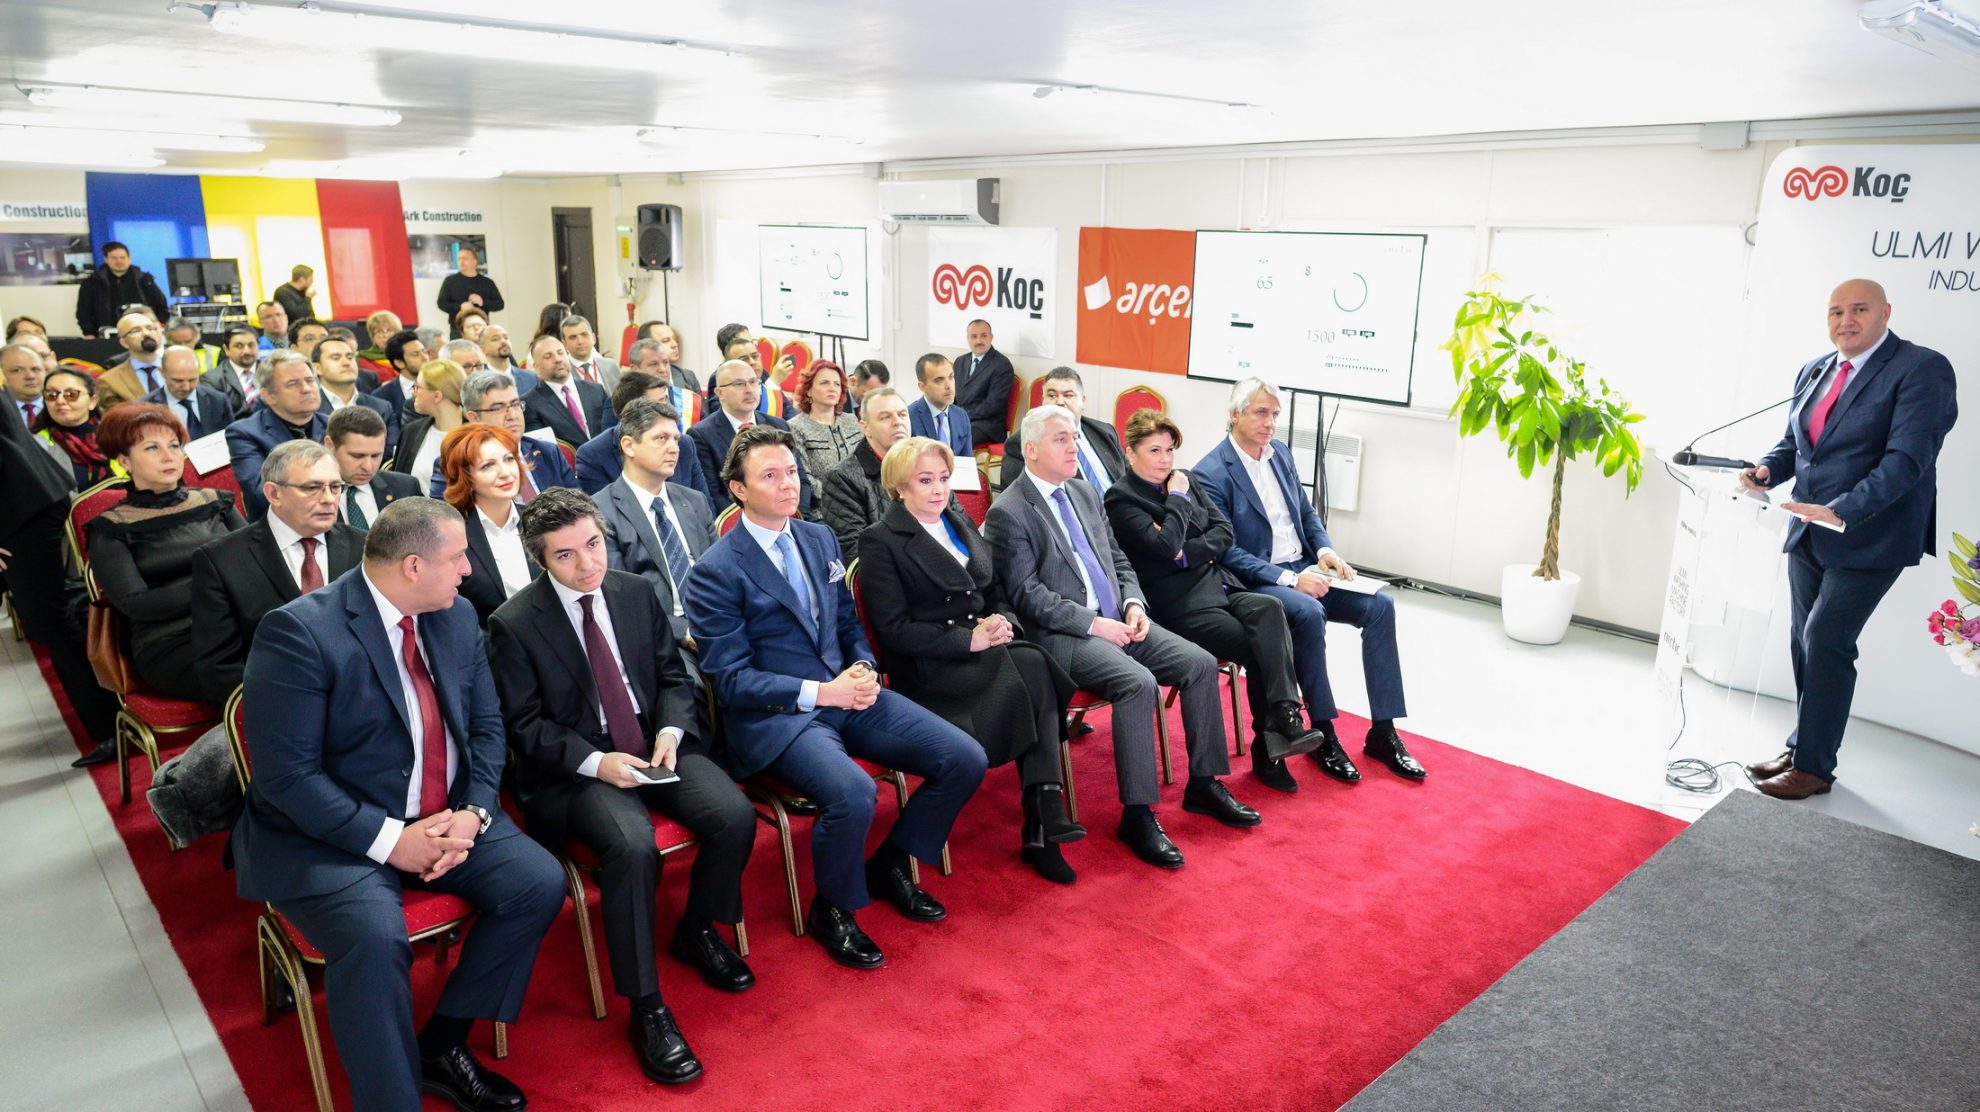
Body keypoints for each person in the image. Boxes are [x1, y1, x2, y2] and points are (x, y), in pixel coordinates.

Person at [231, 497, 567, 1112]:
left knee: (538, 883)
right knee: (373, 936)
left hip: (445, 812)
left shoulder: (456, 614)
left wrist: (474, 811)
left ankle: (441, 1044)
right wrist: (392, 842)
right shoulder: (299, 632)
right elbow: (288, 778)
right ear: (414, 566)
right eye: (458, 557)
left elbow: (487, 727)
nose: (469, 569)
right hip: (332, 834)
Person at [683, 425, 985, 969]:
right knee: (853, 793)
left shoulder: (818, 538)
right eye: (770, 476)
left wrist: (863, 666)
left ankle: (890, 863)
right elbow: (731, 680)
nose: (788, 484)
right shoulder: (714, 571)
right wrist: (825, 691)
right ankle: (834, 909)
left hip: (849, 691)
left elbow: (847, 622)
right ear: (738, 489)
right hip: (781, 717)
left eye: (792, 472)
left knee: (964, 757)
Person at [488, 489, 757, 1084]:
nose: (588, 563)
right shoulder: (513, 623)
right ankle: (647, 1007)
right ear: (540, 559)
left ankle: (696, 929)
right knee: (633, 846)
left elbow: (672, 677)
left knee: (735, 815)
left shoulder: (635, 591)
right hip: (578, 767)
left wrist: (671, 730)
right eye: (566, 555)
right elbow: (524, 726)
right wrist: (594, 762)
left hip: (653, 743)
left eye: (593, 544)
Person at [987, 404, 1253, 869]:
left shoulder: (1084, 491)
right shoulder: (1009, 510)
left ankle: (1204, 783)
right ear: (1030, 450)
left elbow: (1118, 560)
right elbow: (1028, 596)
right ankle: (1138, 813)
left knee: (1198, 663)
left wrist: (1133, 604)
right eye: (1060, 439)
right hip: (1065, 634)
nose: (1074, 447)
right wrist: (1095, 625)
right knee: (1138, 683)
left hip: (1120, 618)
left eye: (1074, 437)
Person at [1738, 278, 1960, 799]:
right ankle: (1802, 748)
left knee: (1826, 640)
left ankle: (1815, 768)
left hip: (1872, 532)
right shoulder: (1815, 369)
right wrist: (1767, 470)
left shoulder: (1922, 368)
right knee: (1803, 641)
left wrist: (1841, 510)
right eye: (1836, 311)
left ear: (1886, 312)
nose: (1846, 321)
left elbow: (1908, 460)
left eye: (1859, 309)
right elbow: (1796, 444)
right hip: (1807, 528)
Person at [858, 436, 1085, 882]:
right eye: (925, 480)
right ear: (900, 487)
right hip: (932, 668)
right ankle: (1042, 814)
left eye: (944, 478)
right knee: (1035, 667)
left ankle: (1043, 811)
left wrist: (1002, 621)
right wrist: (968, 641)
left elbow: (993, 588)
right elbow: (894, 630)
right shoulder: (881, 539)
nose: (939, 489)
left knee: (1032, 664)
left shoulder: (957, 519)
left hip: (984, 650)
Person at [1193, 378, 1424, 784]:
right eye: (1260, 413)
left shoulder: (1280, 453)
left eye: (1275, 414)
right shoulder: (1210, 472)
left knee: (1380, 607)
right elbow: (1228, 552)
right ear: (1234, 415)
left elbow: (1305, 512)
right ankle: (1323, 733)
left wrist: (1324, 550)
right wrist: (1290, 579)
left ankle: (1383, 732)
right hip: (1259, 580)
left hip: (1304, 566)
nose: (1270, 423)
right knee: (1309, 612)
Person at [1104, 409, 1328, 791]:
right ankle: (1271, 749)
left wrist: (1187, 553)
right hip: (1180, 604)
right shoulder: (1121, 500)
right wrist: (1178, 500)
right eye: (1155, 450)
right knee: (1261, 647)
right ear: (1130, 452)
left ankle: (1285, 715)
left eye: (1170, 450)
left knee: (1270, 608)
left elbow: (1224, 531)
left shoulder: (1186, 478)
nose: (1165, 460)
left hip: (1219, 584)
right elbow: (1165, 546)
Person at [2, 353, 120, 764]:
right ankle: (110, 725)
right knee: (53, 622)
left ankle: (111, 729)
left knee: (53, 622)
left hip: (24, 512)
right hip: (27, 506)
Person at [88, 405, 247, 701]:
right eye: (152, 448)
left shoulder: (216, 502)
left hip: (239, 622)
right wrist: (215, 587)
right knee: (262, 671)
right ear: (124, 460)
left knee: (305, 652)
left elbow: (255, 565)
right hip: (172, 642)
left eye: (174, 445)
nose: (168, 456)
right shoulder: (111, 528)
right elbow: (138, 604)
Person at [190, 440, 362, 707]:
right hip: (277, 706)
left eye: (335, 487)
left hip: (359, 703)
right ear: (273, 493)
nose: (329, 499)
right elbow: (219, 668)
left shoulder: (363, 546)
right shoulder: (221, 560)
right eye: (312, 487)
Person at [596, 399, 715, 654]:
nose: (674, 448)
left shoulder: (694, 501)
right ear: (629, 445)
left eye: (676, 439)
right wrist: (683, 632)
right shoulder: (600, 511)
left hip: (716, 620)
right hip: (660, 636)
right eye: (661, 438)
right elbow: (621, 597)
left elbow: (721, 572)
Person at [439, 423, 539, 624]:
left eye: (509, 459)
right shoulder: (450, 535)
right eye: (488, 466)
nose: (505, 472)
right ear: (465, 476)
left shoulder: (540, 521)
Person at [684, 358, 812, 513]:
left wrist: (796, 515)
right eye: (739, 384)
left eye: (753, 382)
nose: (749, 390)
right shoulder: (701, 434)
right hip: (740, 519)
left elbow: (801, 478)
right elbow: (713, 494)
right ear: (719, 393)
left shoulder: (778, 425)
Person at [817, 387, 918, 562]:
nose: (897, 422)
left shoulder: (927, 465)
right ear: (866, 428)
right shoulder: (842, 479)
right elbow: (856, 551)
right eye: (885, 417)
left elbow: (959, 525)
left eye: (902, 414)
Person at [226, 351, 329, 521]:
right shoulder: (245, 433)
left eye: (310, 380)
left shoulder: (334, 425)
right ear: (269, 396)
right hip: (280, 526)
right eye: (293, 384)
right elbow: (263, 493)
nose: (306, 389)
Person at [574, 370, 704, 497]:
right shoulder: (593, 455)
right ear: (631, 410)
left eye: (666, 400)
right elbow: (601, 509)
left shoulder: (685, 444)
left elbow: (704, 504)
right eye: (659, 404)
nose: (668, 408)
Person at [1000, 366, 1127, 490]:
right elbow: (1022, 496)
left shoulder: (1105, 432)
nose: (1060, 402)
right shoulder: (1025, 443)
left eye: (1068, 395)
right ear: (1043, 401)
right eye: (1052, 396)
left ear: (1082, 401)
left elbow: (1128, 478)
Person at [326, 406, 422, 529]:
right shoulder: (309, 493)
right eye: (357, 456)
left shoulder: (405, 488)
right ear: (329, 445)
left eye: (375, 456)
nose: (368, 466)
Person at [389, 357, 468, 502]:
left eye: (418, 387)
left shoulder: (477, 436)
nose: (413, 393)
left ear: (437, 396)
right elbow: (398, 483)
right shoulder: (411, 432)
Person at [313, 334, 399, 455]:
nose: (346, 363)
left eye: (350, 357)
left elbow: (390, 455)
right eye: (336, 358)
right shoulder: (308, 409)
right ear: (317, 368)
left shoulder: (382, 408)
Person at [33, 367, 117, 487]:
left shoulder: (116, 436)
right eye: (51, 395)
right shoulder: (35, 444)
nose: (60, 401)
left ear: (92, 401)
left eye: (71, 394)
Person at [520, 334, 608, 447]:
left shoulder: (596, 390)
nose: (557, 359)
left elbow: (611, 430)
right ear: (536, 367)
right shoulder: (530, 403)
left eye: (560, 353)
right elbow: (543, 448)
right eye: (548, 356)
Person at [788, 360, 864, 481]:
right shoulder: (795, 427)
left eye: (837, 384)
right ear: (808, 390)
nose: (832, 388)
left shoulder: (851, 420)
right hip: (821, 493)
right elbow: (804, 478)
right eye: (824, 383)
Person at [75, 241, 169, 337]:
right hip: (106, 336)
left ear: (129, 258)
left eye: (122, 257)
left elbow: (161, 306)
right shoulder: (92, 283)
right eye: (114, 258)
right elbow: (83, 312)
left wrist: (157, 328)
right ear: (106, 259)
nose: (119, 261)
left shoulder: (145, 280)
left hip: (143, 334)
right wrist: (89, 333)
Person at [142, 345, 233, 441]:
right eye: (178, 381)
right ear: (162, 372)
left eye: (192, 380)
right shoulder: (145, 408)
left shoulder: (218, 401)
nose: (186, 387)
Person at [955, 319, 1015, 446]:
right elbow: (953, 396)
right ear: (968, 339)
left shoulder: (1002, 365)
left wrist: (961, 416)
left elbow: (992, 405)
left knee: (957, 436)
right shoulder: (960, 362)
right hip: (962, 418)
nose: (979, 341)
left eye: (983, 336)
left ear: (991, 337)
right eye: (974, 336)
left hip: (987, 425)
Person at [96, 312, 169, 409]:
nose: (146, 333)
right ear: (124, 342)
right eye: (136, 331)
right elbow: (117, 416)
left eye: (150, 328)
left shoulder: (181, 367)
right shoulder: (110, 381)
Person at [906, 353, 972, 458]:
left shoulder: (961, 416)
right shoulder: (909, 417)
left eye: (951, 377)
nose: (949, 386)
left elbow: (967, 459)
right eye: (939, 380)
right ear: (922, 386)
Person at [622, 337, 700, 426]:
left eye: (665, 362)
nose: (663, 369)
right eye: (654, 364)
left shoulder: (690, 399)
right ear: (635, 369)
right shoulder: (623, 402)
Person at [437, 246, 504, 336]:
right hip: (458, 330)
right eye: (459, 258)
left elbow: (500, 304)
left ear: (474, 262)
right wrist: (460, 307)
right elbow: (441, 303)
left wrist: (482, 302)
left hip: (481, 329)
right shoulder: (450, 281)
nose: (461, 262)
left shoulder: (487, 282)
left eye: (465, 258)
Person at [721, 334, 791, 419]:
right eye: (744, 359)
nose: (752, 362)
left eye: (755, 356)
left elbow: (787, 409)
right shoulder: (726, 386)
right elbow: (758, 421)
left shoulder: (763, 375)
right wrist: (773, 383)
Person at [371, 328, 432, 421]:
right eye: (415, 354)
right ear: (399, 363)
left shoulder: (442, 385)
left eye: (424, 351)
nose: (425, 358)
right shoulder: (381, 396)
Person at [204, 326, 261, 418]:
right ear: (226, 349)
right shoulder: (212, 380)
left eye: (251, 345)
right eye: (239, 346)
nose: (246, 351)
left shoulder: (273, 372)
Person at [561, 314, 620, 391]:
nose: (580, 341)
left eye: (584, 335)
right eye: (573, 337)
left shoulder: (611, 366)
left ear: (593, 338)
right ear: (564, 344)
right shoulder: (561, 373)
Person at [637, 321, 699, 395]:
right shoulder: (635, 385)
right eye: (666, 340)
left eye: (674, 339)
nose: (675, 344)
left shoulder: (687, 377)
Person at [4, 339, 50, 432]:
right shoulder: (3, 412)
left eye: (35, 369)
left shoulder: (63, 407)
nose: (30, 376)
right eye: (17, 370)